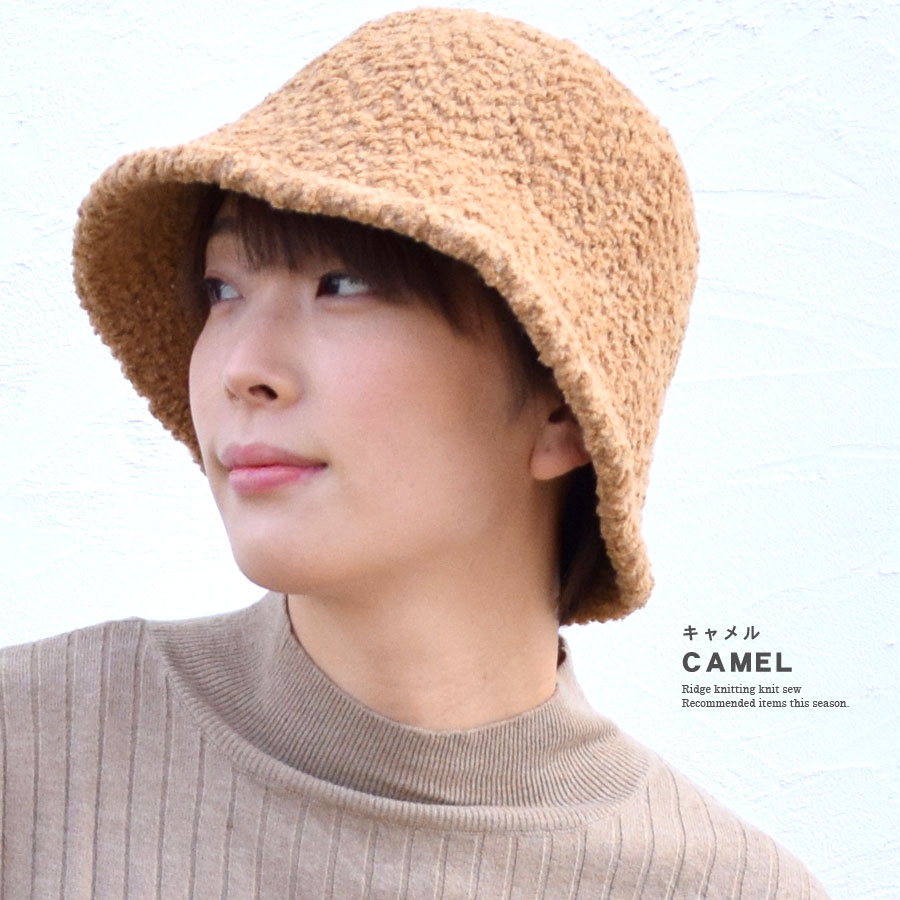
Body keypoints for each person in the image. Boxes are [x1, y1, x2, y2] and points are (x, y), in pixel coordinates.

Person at [0, 8, 828, 898]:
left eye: (341, 284)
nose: (241, 368)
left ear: (563, 409)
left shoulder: (724, 887)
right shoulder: (34, 753)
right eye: (222, 289)